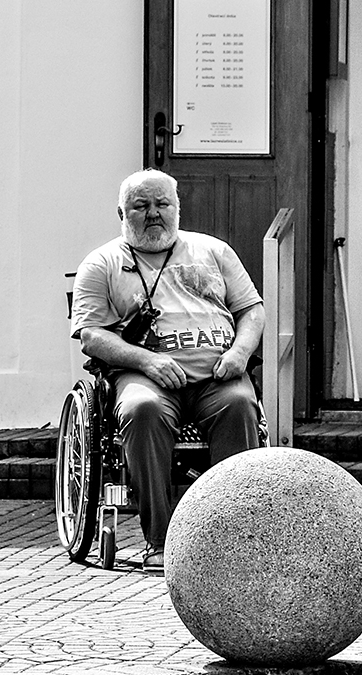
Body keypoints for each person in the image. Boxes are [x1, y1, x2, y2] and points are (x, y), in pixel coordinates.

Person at [70, 169, 264, 571]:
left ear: (177, 208)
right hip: (144, 376)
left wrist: (240, 353)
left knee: (240, 405)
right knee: (142, 409)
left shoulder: (213, 251)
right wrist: (148, 361)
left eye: (163, 204)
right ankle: (160, 542)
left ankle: (232, 541)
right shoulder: (102, 262)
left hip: (218, 375)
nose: (154, 213)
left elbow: (251, 310)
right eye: (141, 206)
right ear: (122, 213)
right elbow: (91, 336)